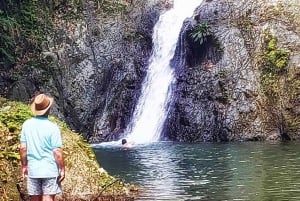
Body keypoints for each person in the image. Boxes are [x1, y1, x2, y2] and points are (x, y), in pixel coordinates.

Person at [19, 93, 65, 201]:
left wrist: (24, 166)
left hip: (33, 169)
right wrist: (62, 169)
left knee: (35, 198)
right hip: (49, 169)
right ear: (48, 109)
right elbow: (57, 151)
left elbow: (23, 148)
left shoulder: (26, 125)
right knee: (48, 197)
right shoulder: (53, 128)